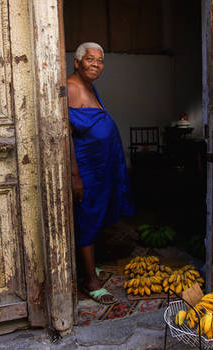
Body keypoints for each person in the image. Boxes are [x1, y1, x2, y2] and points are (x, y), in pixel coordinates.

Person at [67, 42, 135, 304]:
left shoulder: (89, 86)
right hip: (86, 170)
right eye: (90, 59)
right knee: (87, 218)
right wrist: (75, 176)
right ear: (77, 61)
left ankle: (87, 267)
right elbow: (67, 136)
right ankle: (91, 282)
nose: (96, 64)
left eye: (101, 60)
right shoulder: (70, 88)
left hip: (101, 168)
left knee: (96, 217)